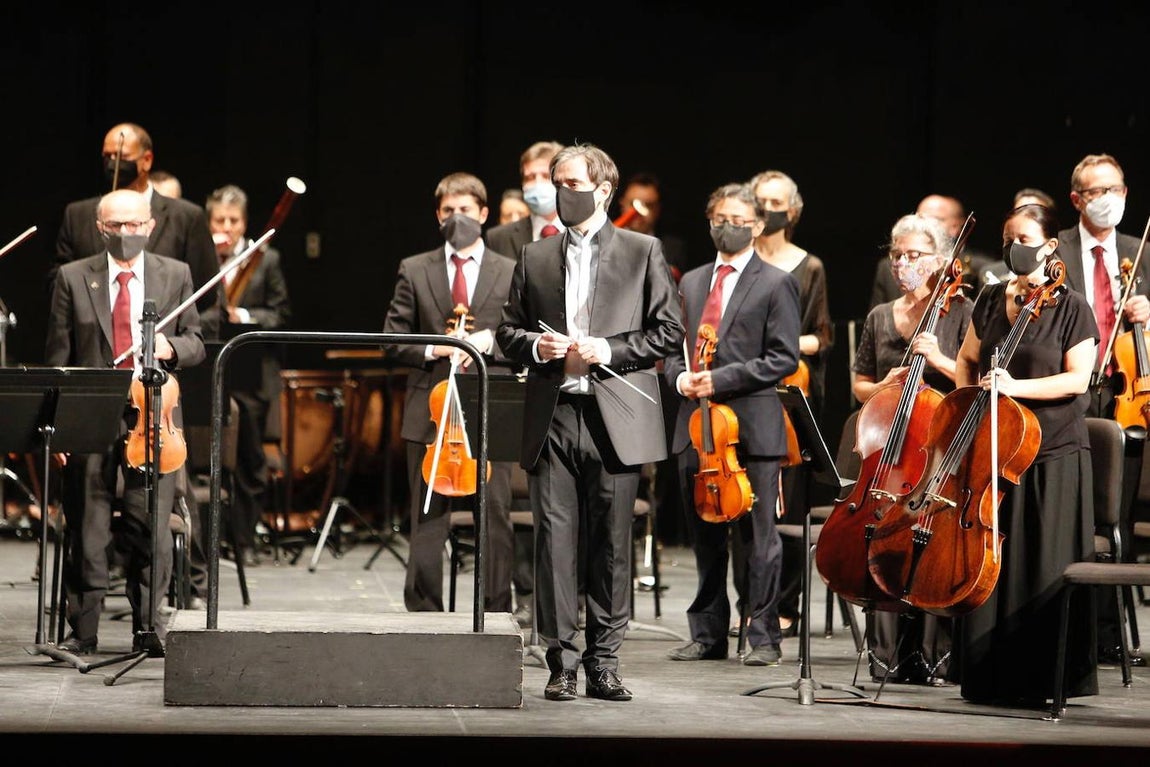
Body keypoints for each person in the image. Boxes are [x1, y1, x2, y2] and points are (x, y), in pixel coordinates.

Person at [496, 142, 683, 701]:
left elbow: (668, 331)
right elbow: (508, 333)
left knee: (610, 540)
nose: (561, 193)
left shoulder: (641, 250)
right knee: (554, 539)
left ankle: (605, 658)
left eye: (572, 184)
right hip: (555, 413)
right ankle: (562, 661)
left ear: (602, 190)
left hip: (615, 413)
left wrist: (609, 347)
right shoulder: (535, 256)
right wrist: (539, 347)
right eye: (557, 183)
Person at [44, 188, 206, 655]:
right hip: (91, 417)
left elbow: (196, 341)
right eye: (116, 225)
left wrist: (169, 347)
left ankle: (147, 628)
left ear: (150, 226)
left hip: (153, 417)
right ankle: (85, 633)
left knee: (150, 528)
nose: (126, 233)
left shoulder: (174, 274)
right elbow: (59, 355)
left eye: (135, 224)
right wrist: (59, 423)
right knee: (88, 529)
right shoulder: (73, 278)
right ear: (100, 228)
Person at [951, 202, 1097, 705]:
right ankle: (989, 671)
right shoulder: (990, 299)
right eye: (1009, 236)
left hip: (1052, 449)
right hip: (995, 443)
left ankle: (1045, 675)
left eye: (1026, 237)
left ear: (1050, 245)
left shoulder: (1071, 305)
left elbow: (1079, 379)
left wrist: (1016, 387)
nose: (1016, 245)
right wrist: (969, 403)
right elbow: (967, 359)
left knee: (1040, 561)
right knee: (995, 556)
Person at [663, 182, 801, 668]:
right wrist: (681, 379)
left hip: (752, 427)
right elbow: (670, 350)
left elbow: (782, 358)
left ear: (759, 226)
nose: (729, 227)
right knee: (704, 539)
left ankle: (763, 636)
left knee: (758, 540)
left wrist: (718, 378)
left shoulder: (776, 282)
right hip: (697, 429)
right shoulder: (692, 281)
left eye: (740, 221)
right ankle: (707, 633)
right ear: (709, 223)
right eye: (721, 218)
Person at [382, 172, 518, 614]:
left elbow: (521, 336)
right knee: (428, 515)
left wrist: (490, 341)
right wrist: (433, 347)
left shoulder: (509, 270)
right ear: (437, 216)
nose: (456, 218)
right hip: (431, 406)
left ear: (483, 214)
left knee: (494, 515)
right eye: (447, 212)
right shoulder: (414, 268)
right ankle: (423, 615)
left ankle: (496, 613)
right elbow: (392, 338)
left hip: (488, 404)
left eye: (465, 211)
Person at [851, 213, 970, 684]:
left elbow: (973, 379)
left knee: (933, 537)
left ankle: (933, 653)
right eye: (897, 255)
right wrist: (883, 384)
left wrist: (937, 356)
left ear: (939, 260)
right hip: (891, 453)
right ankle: (885, 655)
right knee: (880, 535)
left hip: (940, 449)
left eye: (914, 255)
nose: (904, 263)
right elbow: (860, 386)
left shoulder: (960, 311)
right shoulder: (881, 316)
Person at [1056, 153, 1150, 668]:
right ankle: (1076, 631)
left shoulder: (1142, 253)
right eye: (1095, 192)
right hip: (1074, 393)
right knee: (1077, 512)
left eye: (1113, 188)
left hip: (1127, 397)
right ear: (1077, 199)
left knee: (1120, 517)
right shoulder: (1059, 251)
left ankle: (1112, 635)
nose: (1106, 199)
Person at [747, 169, 833, 639]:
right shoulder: (741, 261)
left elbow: (822, 338)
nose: (767, 209)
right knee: (746, 504)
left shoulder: (809, 266)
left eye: (776, 202)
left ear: (793, 211)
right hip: (744, 390)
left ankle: (784, 604)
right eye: (760, 200)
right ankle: (751, 599)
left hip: (787, 390)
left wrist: (775, 344)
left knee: (787, 504)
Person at [484, 140, 566, 628]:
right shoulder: (501, 237)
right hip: (514, 374)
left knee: (557, 499)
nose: (535, 185)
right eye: (528, 176)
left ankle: (559, 602)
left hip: (566, 380)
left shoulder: (582, 236)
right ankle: (521, 597)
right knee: (512, 489)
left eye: (544, 176)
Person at [203, 184, 292, 568]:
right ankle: (209, 542)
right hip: (210, 372)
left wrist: (246, 318)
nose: (227, 227)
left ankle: (244, 540)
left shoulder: (265, 259)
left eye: (234, 220)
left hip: (251, 373)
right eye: (219, 220)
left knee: (250, 460)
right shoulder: (200, 258)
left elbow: (280, 314)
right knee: (210, 459)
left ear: (245, 222)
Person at [54, 123, 218, 315]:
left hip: (159, 335)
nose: (112, 163)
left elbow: (205, 291)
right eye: (108, 156)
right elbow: (58, 281)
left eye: (122, 157)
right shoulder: (78, 215)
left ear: (146, 160)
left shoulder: (186, 217)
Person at [869, 194, 983, 310]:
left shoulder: (981, 268)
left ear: (955, 226)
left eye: (933, 219)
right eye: (919, 217)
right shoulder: (889, 266)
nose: (922, 225)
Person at [614, 172, 688, 282]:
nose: (637, 212)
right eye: (633, 203)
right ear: (622, 203)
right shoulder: (604, 239)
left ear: (658, 209)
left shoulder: (673, 249)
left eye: (648, 205)